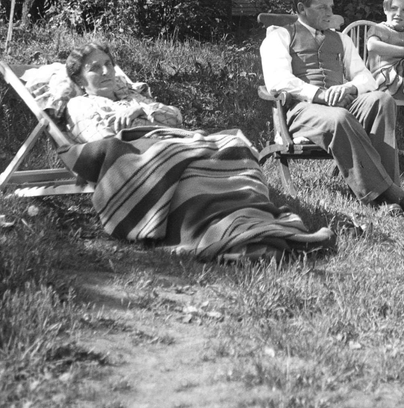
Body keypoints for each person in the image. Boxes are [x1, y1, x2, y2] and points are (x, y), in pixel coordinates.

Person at [59, 42, 335, 262]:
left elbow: (175, 117)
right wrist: (134, 123)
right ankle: (228, 239)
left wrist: (140, 109)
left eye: (109, 64)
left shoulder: (132, 97)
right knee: (189, 169)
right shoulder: (81, 106)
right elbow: (100, 141)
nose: (106, 72)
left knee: (234, 144)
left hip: (172, 143)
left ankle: (254, 225)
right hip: (138, 154)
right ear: (80, 80)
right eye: (95, 68)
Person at [260, 0, 404, 215]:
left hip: (339, 106)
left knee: (381, 100)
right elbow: (278, 81)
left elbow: (367, 78)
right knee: (339, 117)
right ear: (301, 9)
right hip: (301, 112)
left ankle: (387, 198)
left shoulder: (341, 39)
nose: (330, 13)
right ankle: (393, 197)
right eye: (322, 7)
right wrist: (320, 95)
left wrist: (350, 89)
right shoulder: (279, 37)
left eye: (331, 7)